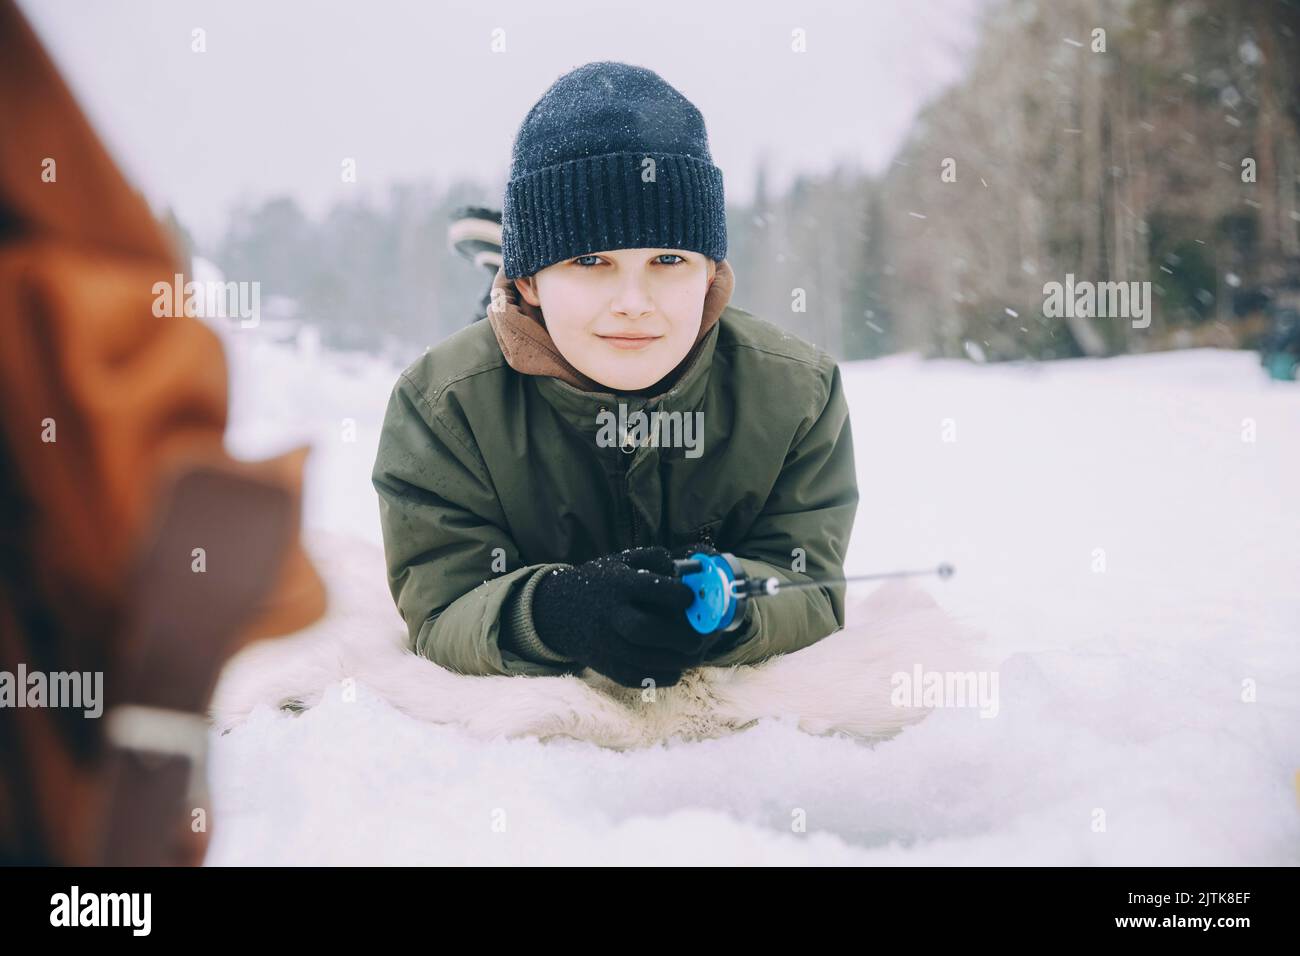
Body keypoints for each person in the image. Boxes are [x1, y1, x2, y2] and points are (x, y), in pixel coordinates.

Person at [372, 61, 858, 689]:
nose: (634, 300)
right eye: (591, 259)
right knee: (507, 353)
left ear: (710, 271)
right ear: (529, 280)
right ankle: (501, 278)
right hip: (509, 353)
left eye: (667, 258)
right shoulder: (439, 406)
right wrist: (552, 612)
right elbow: (442, 607)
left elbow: (809, 586)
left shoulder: (798, 393)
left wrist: (731, 610)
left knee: (598, 324)